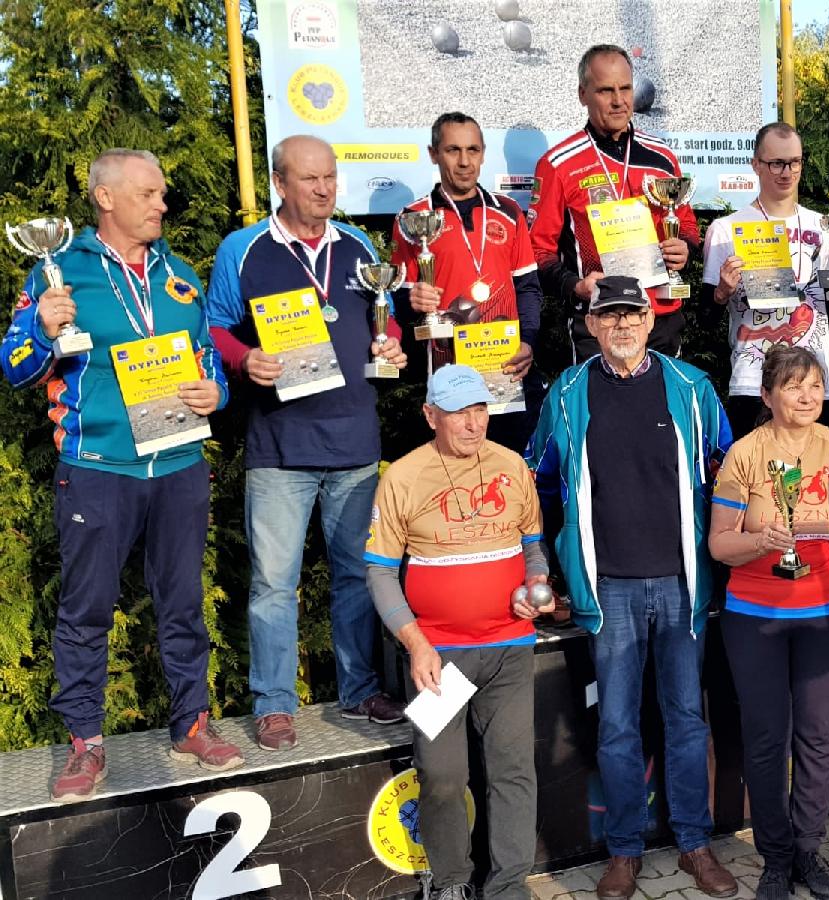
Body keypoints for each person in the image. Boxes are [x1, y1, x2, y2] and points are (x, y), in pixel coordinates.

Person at [1, 148, 244, 802]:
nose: (162, 203)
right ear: (105, 198)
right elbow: (15, 366)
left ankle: (191, 723)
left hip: (180, 464)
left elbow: (206, 358)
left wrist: (216, 392)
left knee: (183, 604)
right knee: (86, 611)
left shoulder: (180, 275)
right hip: (98, 468)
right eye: (149, 193)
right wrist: (41, 330)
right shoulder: (60, 273)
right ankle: (85, 740)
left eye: (162, 193)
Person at [525, 275, 735, 900]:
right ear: (591, 325)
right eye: (608, 315)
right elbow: (538, 481)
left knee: (686, 719)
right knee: (617, 726)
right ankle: (623, 851)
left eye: (632, 314)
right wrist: (549, 564)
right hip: (607, 586)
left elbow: (729, 470)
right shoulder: (566, 393)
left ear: (650, 320)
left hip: (681, 583)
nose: (621, 325)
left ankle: (695, 844)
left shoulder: (692, 388)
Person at [206, 135, 409, 752]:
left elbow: (384, 318)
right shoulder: (243, 249)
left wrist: (392, 343)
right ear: (279, 183)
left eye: (330, 177)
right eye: (310, 179)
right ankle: (273, 704)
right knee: (274, 584)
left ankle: (359, 689)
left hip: (354, 442)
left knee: (357, 575)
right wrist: (244, 359)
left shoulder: (358, 247)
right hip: (281, 447)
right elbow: (215, 327)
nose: (325, 190)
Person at [365, 364, 554, 900]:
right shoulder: (403, 477)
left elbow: (533, 546)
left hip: (509, 647)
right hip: (438, 658)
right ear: (431, 416)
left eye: (480, 410)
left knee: (513, 770)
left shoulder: (512, 465)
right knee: (442, 774)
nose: (473, 424)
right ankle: (450, 882)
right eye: (458, 414)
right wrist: (415, 644)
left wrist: (536, 582)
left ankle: (510, 887)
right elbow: (379, 571)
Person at [708, 345, 829, 900]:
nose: (807, 396)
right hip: (754, 614)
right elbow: (719, 544)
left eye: (815, 385)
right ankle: (775, 856)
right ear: (767, 395)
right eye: (793, 386)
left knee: (816, 736)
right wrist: (760, 541)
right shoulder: (744, 453)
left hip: (823, 611)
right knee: (767, 738)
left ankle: (809, 849)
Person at [528, 44, 699, 361]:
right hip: (599, 319)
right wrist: (575, 285)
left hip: (659, 314)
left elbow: (686, 223)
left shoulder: (662, 157)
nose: (619, 100)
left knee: (664, 396)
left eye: (625, 88)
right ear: (583, 94)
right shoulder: (558, 165)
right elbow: (538, 250)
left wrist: (684, 247)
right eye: (606, 90)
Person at [393, 111, 544, 452]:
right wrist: (412, 302)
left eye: (472, 150)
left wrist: (529, 341)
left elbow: (527, 287)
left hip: (505, 367)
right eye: (453, 150)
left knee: (511, 466)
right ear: (434, 154)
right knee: (455, 472)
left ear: (483, 154)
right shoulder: (412, 218)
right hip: (448, 373)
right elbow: (398, 305)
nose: (464, 162)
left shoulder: (509, 211)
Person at [701, 123, 829, 437]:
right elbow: (706, 317)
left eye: (794, 162)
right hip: (754, 384)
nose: (787, 173)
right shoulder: (725, 229)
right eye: (776, 163)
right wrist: (721, 292)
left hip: (814, 383)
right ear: (756, 165)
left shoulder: (825, 226)